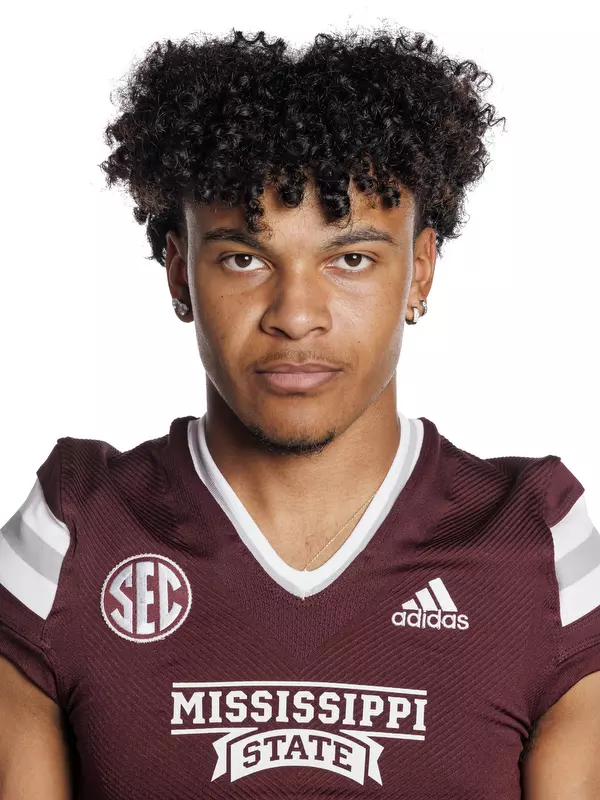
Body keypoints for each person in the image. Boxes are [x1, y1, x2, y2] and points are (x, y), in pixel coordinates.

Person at [0, 26, 598, 800]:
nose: (296, 314)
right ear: (180, 272)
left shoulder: (540, 545)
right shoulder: (72, 532)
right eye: (244, 258)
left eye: (351, 258)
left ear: (418, 272)